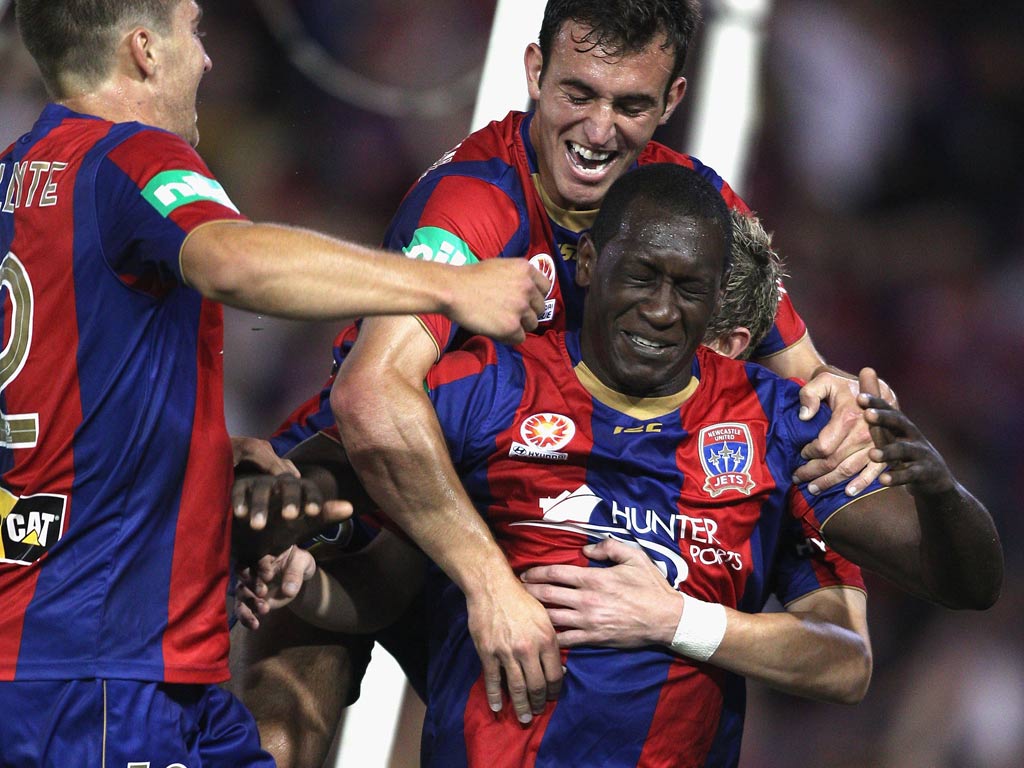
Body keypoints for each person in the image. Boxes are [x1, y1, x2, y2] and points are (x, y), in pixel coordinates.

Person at [242, 163, 1001, 767]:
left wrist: (678, 620)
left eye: (688, 290)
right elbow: (373, 567)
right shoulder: (484, 392)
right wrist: (305, 562)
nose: (662, 310)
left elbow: (937, 600)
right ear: (590, 262)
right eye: (642, 277)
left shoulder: (781, 429)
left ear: (721, 318)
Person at [0, 2, 547, 766]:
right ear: (144, 51)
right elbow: (234, 261)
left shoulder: (18, 175)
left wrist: (203, 469)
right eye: (195, 31)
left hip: (75, 658)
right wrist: (449, 287)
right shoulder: (131, 156)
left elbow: (59, 403)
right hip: (105, 670)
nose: (209, 60)